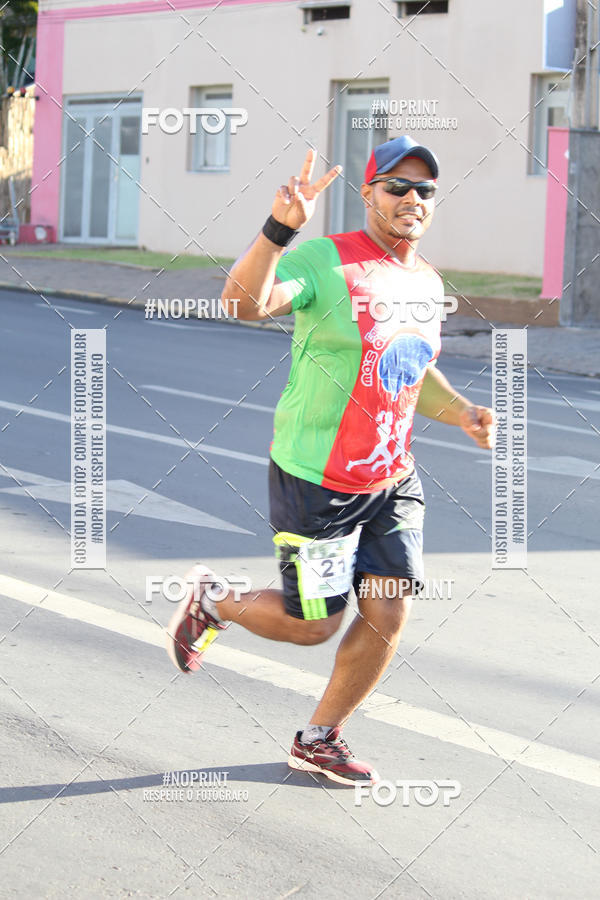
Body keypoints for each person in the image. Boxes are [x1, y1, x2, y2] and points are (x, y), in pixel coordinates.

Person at [166, 135, 496, 786]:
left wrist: (460, 411)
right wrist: (277, 230)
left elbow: (412, 370)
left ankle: (319, 738)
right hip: (318, 476)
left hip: (392, 477)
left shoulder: (425, 283)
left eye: (424, 189)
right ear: (368, 193)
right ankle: (213, 601)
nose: (411, 198)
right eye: (396, 185)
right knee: (312, 625)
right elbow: (243, 303)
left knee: (389, 609)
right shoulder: (325, 260)